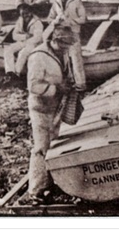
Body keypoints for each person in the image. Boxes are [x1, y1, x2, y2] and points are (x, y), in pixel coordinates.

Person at [20, 25, 79, 205]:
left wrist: (68, 83)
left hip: (56, 104)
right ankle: (35, 190)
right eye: (64, 45)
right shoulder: (38, 57)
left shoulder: (62, 52)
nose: (67, 49)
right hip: (41, 107)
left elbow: (63, 71)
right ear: (55, 40)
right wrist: (56, 88)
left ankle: (51, 181)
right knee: (41, 147)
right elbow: (33, 86)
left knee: (54, 141)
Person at [45, 0, 87, 92]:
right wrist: (55, 22)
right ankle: (67, 82)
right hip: (59, 34)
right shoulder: (56, 3)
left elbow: (83, 19)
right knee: (62, 59)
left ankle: (81, 84)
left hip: (73, 33)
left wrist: (70, 22)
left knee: (76, 59)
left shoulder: (76, 1)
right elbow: (49, 18)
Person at [3, 3, 44, 79]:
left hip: (35, 44)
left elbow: (37, 38)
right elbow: (14, 35)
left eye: (27, 13)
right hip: (24, 41)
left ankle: (17, 73)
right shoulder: (20, 21)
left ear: (31, 12)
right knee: (8, 49)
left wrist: (25, 40)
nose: (25, 15)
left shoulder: (37, 22)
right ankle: (10, 72)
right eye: (23, 13)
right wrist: (25, 36)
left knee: (23, 53)